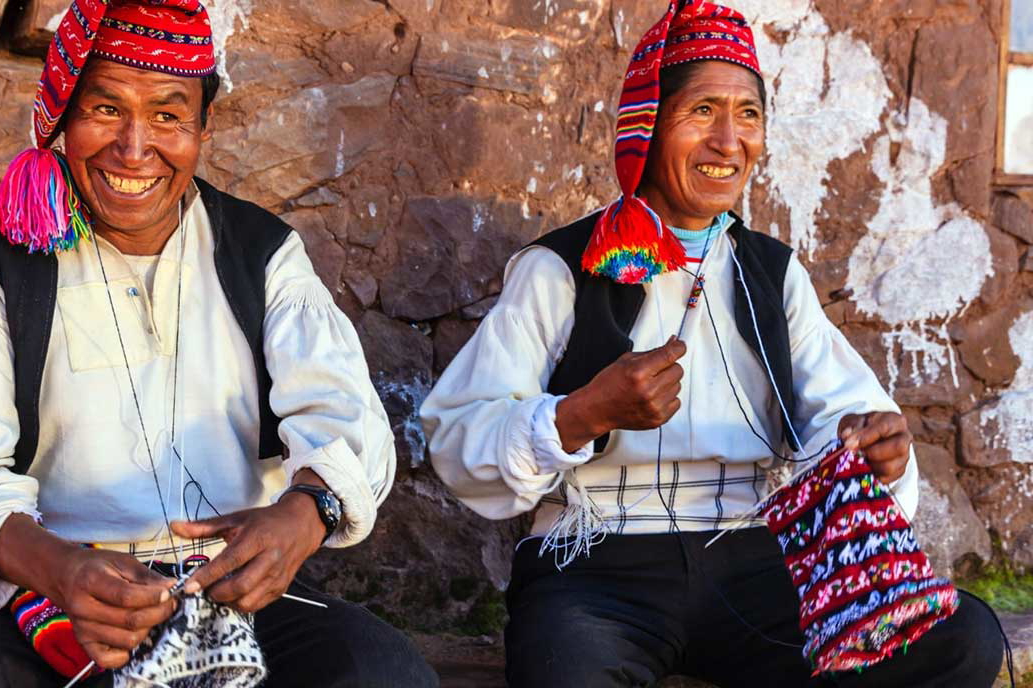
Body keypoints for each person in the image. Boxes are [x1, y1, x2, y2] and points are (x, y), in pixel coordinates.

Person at [420, 1, 1005, 686]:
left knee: (958, 636)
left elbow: (844, 420)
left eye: (748, 114)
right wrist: (583, 414)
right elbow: (458, 444)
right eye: (702, 112)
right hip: (596, 564)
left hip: (756, 558)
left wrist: (876, 450)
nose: (730, 141)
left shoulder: (771, 273)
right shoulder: (557, 270)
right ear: (646, 127)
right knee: (562, 671)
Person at [0, 1, 437, 686]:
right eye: (106, 109)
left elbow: (344, 416)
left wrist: (305, 511)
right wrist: (60, 566)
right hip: (49, 596)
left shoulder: (260, 256)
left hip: (225, 588)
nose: (135, 148)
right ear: (61, 118)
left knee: (383, 674)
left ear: (203, 128)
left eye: (168, 115)